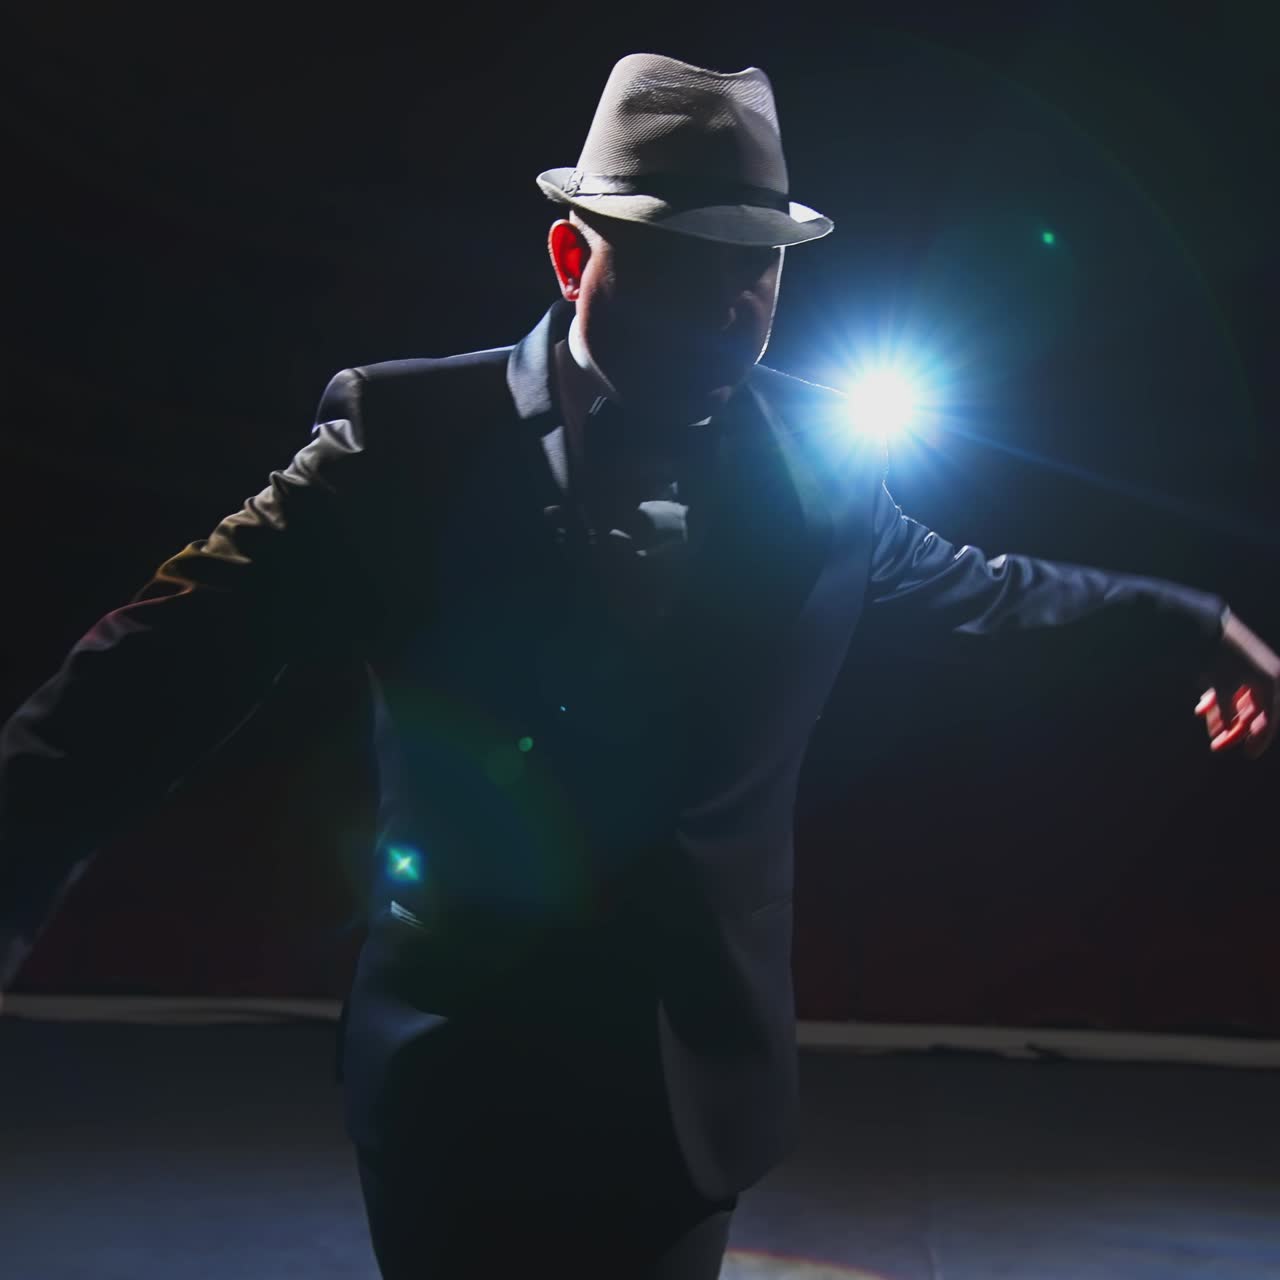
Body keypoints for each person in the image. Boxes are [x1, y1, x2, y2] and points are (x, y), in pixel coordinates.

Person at [0, 52, 1275, 1279]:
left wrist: (1184, 621)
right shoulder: (402, 440)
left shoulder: (824, 473)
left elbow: (986, 598)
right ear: (572, 254)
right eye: (687, 266)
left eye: (757, 273)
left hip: (683, 1092)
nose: (732, 305)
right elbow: (155, 664)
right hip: (457, 1081)